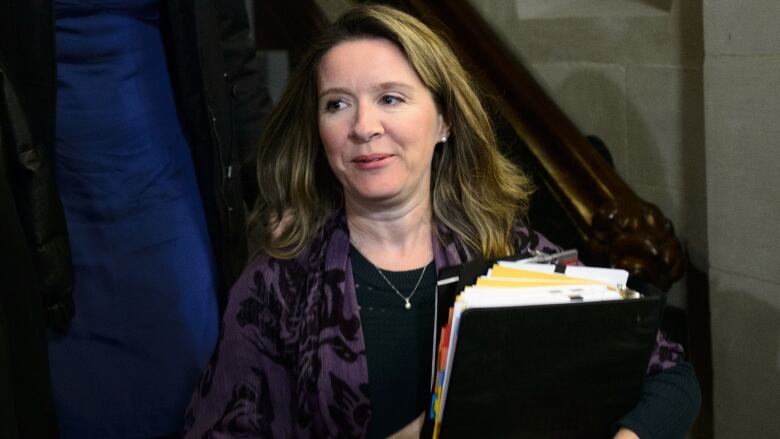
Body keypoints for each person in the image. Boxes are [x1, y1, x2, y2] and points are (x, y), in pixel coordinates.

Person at [183, 4, 700, 438]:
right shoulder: (278, 283)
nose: (364, 127)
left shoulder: (515, 254)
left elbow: (672, 376)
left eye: (390, 98)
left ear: (445, 121)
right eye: (337, 104)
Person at [0, 0, 271, 437]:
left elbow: (229, 46)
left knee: (192, 367)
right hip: (43, 184)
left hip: (163, 174)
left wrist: (272, 178)